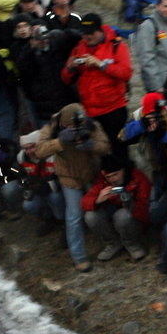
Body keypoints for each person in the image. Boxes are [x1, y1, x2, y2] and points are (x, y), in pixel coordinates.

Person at [35, 103, 110, 273]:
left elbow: (105, 146)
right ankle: (79, 257)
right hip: (69, 177)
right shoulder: (51, 127)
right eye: (71, 126)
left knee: (98, 209)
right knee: (74, 216)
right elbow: (39, 151)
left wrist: (91, 145)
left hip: (90, 173)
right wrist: (60, 141)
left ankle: (110, 241)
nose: (75, 129)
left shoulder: (91, 125)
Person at [60, 14, 133, 162]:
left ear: (100, 30)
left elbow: (126, 73)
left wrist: (101, 65)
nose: (88, 37)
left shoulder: (116, 46)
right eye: (85, 33)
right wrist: (70, 68)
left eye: (91, 33)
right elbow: (65, 78)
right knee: (100, 154)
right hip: (91, 112)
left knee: (119, 149)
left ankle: (126, 180)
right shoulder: (79, 48)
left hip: (114, 109)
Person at [81, 157, 152, 262]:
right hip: (111, 218)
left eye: (115, 174)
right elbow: (84, 202)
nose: (113, 179)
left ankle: (132, 244)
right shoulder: (102, 181)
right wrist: (98, 200)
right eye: (109, 176)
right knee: (90, 216)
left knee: (122, 215)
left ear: (123, 170)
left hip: (133, 219)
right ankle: (113, 243)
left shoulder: (137, 177)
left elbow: (145, 205)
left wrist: (130, 203)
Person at [131, 0, 167, 95]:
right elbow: (146, 58)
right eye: (166, 6)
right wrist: (156, 86)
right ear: (157, 6)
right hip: (160, 87)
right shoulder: (148, 26)